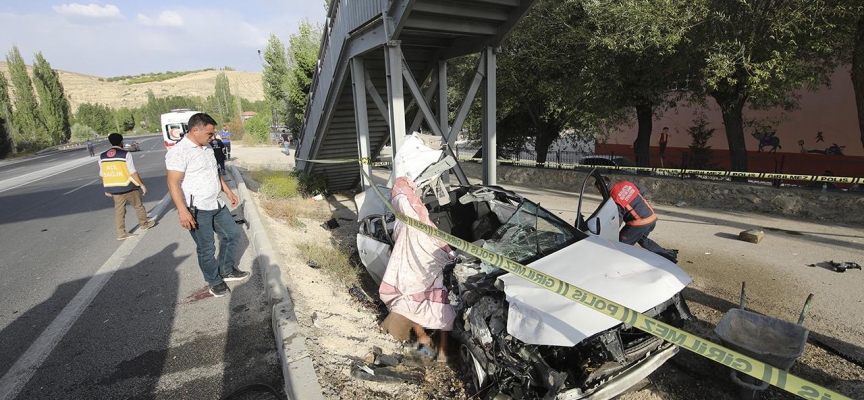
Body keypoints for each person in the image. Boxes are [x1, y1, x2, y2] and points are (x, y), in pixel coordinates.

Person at [166, 113, 249, 297]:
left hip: (216, 203)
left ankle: (226, 270)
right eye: (210, 134)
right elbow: (173, 183)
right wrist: (182, 211)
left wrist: (227, 191)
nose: (213, 137)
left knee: (233, 234)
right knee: (206, 248)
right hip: (197, 209)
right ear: (195, 130)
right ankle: (213, 280)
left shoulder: (207, 147)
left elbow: (215, 172)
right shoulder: (179, 152)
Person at [379, 176, 454, 362]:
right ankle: (437, 348)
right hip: (429, 266)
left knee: (413, 302)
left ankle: (426, 341)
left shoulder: (402, 218)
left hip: (415, 272)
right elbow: (428, 228)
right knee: (439, 303)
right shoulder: (416, 211)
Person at [597, 177, 678, 263]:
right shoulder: (625, 183)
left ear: (602, 186)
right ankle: (670, 259)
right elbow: (642, 189)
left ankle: (618, 265)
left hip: (639, 223)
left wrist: (608, 230)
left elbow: (617, 219)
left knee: (621, 245)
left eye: (598, 189)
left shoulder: (614, 197)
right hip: (651, 216)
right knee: (643, 240)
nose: (599, 191)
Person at [99, 133, 155, 240]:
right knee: (138, 206)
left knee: (119, 211)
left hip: (114, 187)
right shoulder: (125, 154)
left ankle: (121, 233)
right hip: (128, 185)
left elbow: (102, 174)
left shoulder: (102, 156)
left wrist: (106, 188)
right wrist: (142, 185)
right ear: (121, 142)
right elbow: (132, 172)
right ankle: (144, 224)